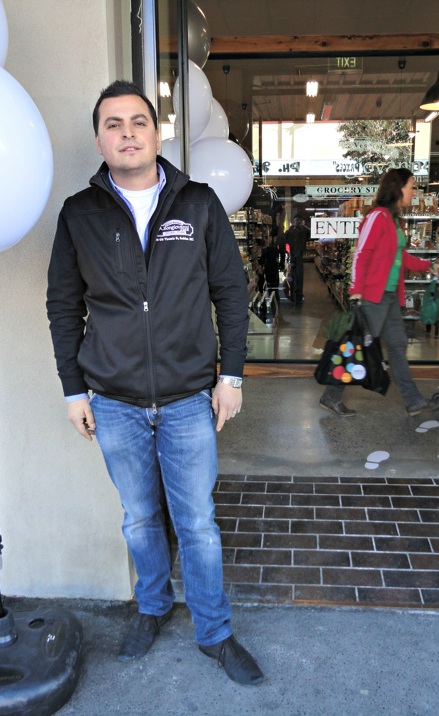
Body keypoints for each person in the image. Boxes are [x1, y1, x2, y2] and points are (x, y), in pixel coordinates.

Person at [46, 80, 263, 686]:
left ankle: (214, 632)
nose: (127, 134)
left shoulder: (197, 204)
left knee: (197, 524)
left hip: (190, 397)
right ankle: (152, 606)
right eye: (113, 125)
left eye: (138, 122)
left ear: (157, 134)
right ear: (99, 140)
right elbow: (63, 306)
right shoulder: (79, 215)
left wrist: (231, 376)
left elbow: (231, 293)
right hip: (113, 401)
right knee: (140, 518)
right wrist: (73, 389)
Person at [319, 167, 439, 418]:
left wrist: (428, 266)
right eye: (411, 186)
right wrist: (356, 290)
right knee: (357, 345)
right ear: (398, 188)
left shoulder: (396, 220)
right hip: (372, 297)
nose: (414, 192)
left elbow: (400, 256)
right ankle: (331, 396)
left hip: (389, 297)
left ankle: (413, 400)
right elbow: (361, 253)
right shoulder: (377, 217)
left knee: (398, 346)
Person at [283, 213, 311, 306]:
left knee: (297, 277)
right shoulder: (293, 229)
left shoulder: (302, 230)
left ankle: (297, 297)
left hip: (297, 256)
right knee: (294, 277)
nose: (296, 222)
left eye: (298, 220)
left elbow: (310, 233)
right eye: (295, 220)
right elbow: (285, 238)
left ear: (301, 221)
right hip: (293, 256)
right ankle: (295, 296)